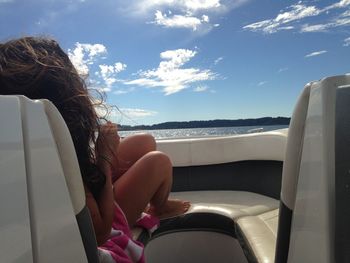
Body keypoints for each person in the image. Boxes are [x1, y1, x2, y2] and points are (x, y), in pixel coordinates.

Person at [0, 36, 189, 262]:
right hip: (101, 223)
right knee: (158, 161)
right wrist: (104, 158)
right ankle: (160, 207)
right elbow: (99, 233)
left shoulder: (24, 140)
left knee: (144, 141)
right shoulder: (55, 159)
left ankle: (156, 203)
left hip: (83, 204)